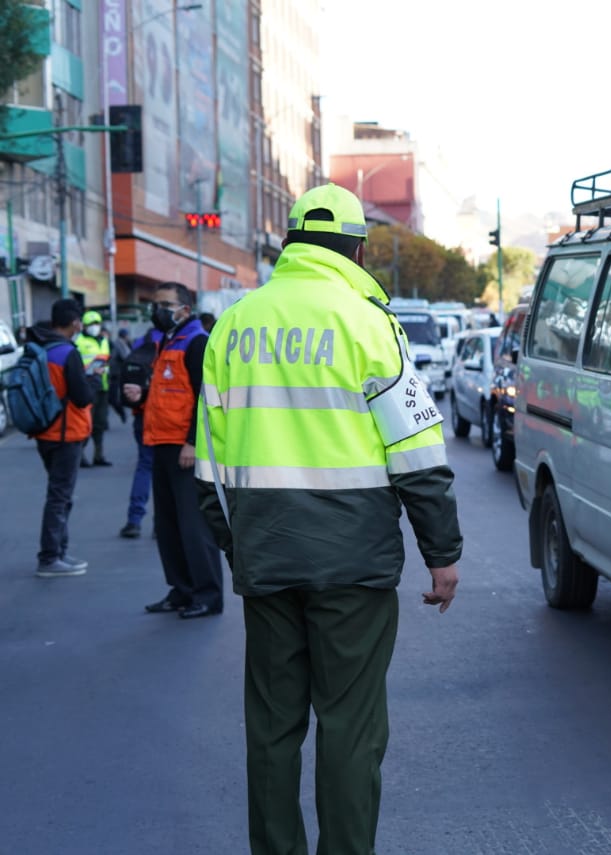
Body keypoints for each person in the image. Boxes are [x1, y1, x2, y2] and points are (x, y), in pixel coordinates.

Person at [194, 183, 462, 855]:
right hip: (354, 567)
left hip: (269, 558)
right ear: (357, 248)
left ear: (289, 242)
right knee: (349, 724)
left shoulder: (235, 323)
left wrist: (238, 548)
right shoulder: (369, 323)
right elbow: (418, 453)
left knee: (273, 728)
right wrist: (443, 552)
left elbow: (205, 466)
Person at [124, 283, 223, 618]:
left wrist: (193, 441)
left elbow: (205, 396)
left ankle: (207, 595)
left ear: (185, 309)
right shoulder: (164, 341)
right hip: (160, 443)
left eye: (165, 303)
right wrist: (137, 396)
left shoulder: (196, 342)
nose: (158, 309)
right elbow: (166, 392)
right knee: (168, 525)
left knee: (194, 527)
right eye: (155, 303)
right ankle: (181, 590)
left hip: (185, 447)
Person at [29, 299, 95, 577]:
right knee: (59, 496)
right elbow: (82, 397)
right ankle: (50, 557)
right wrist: (92, 380)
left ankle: (59, 551)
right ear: (75, 323)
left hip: (43, 430)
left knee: (59, 493)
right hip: (67, 432)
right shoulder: (67, 352)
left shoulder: (37, 347)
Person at [118, 324, 165, 539]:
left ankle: (134, 520)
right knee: (166, 473)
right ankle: (161, 523)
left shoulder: (141, 341)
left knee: (145, 466)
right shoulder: (177, 341)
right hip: (168, 416)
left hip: (141, 415)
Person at [76, 309, 113, 467]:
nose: (94, 326)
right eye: (90, 324)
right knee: (85, 424)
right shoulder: (78, 342)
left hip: (102, 387)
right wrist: (90, 370)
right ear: (84, 326)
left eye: (96, 323)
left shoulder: (104, 341)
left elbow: (107, 361)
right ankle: (80, 456)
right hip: (87, 388)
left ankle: (99, 455)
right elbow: (75, 367)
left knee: (100, 423)